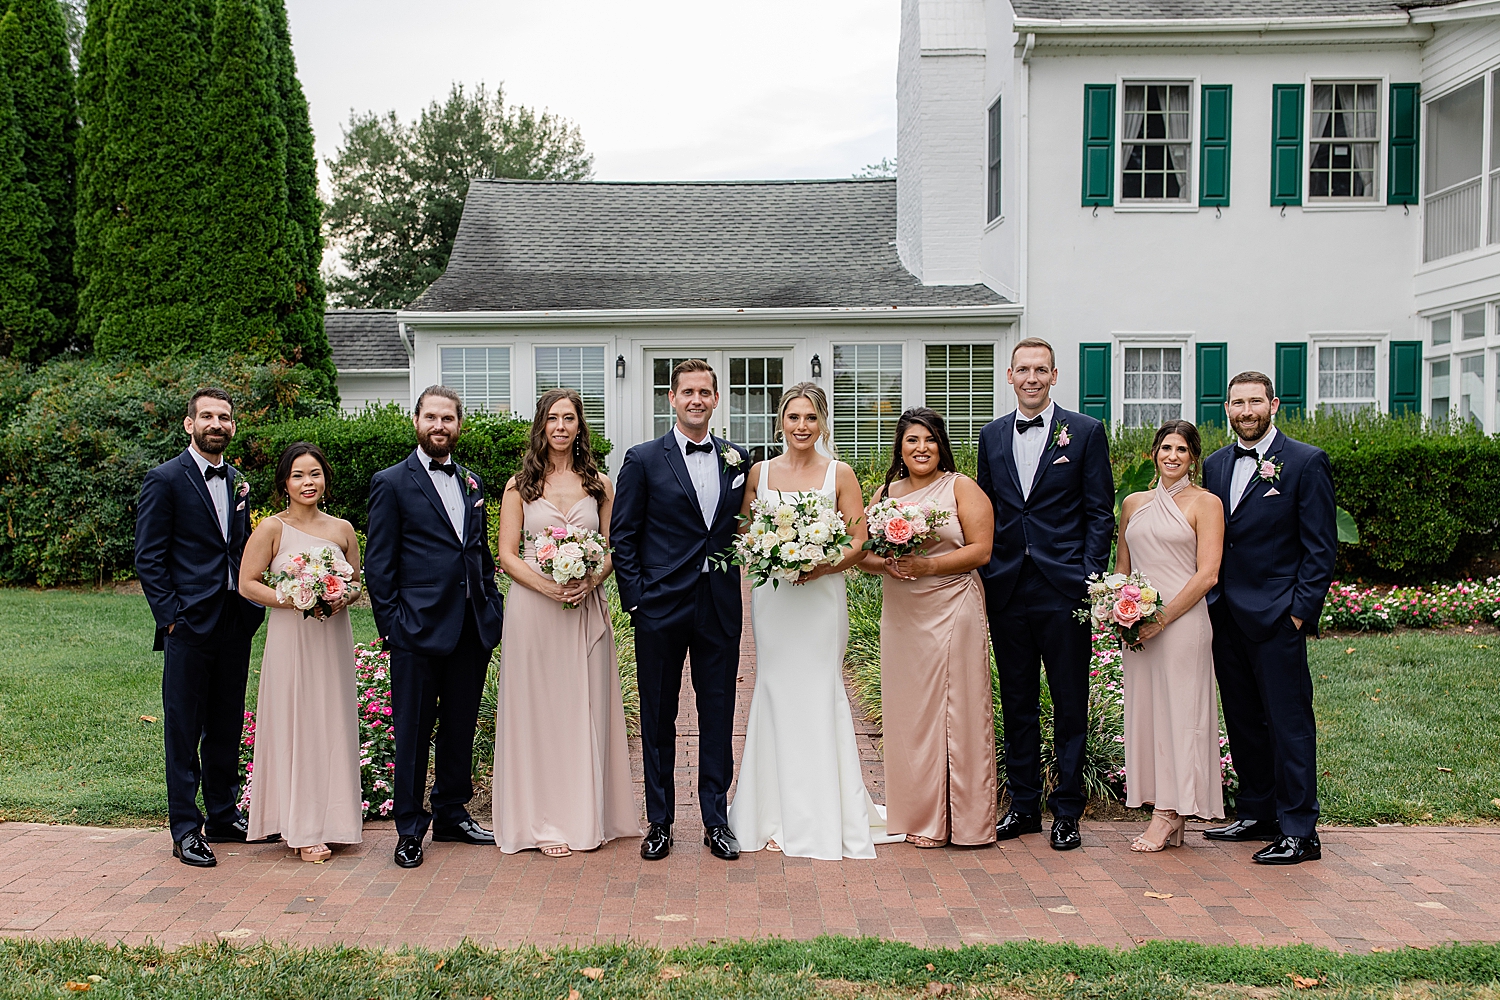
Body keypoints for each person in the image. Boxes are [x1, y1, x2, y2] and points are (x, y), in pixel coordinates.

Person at [728, 383, 900, 859]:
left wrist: (820, 562)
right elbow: (743, 530)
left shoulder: (839, 474)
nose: (801, 426)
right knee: (776, 687)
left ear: (823, 423)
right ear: (780, 421)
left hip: (822, 598)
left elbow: (859, 541)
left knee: (821, 688)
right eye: (793, 417)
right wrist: (771, 553)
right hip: (775, 599)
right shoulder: (759, 473)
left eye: (810, 418)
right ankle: (769, 809)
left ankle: (828, 811)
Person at [976, 338, 1114, 852]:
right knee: (1017, 701)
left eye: (1041, 370)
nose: (1031, 378)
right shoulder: (991, 436)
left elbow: (1101, 511)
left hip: (1065, 589)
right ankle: (1024, 806)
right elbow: (985, 511)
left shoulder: (1084, 432)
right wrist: (987, 571)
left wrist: (1089, 577)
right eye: (1023, 370)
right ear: (1009, 376)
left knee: (1069, 700)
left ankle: (1069, 811)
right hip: (1008, 587)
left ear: (1055, 375)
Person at [610, 359, 750, 862]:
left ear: (716, 399)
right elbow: (622, 536)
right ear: (671, 398)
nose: (696, 399)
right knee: (658, 715)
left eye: (705, 392)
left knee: (718, 714)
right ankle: (660, 821)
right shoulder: (644, 458)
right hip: (659, 608)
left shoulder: (739, 459)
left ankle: (716, 819)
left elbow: (741, 528)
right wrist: (637, 599)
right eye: (687, 391)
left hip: (718, 605)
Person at [492, 389, 639, 857]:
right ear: (541, 426)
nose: (560, 426)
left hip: (584, 606)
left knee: (583, 705)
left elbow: (615, 548)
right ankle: (543, 822)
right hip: (534, 610)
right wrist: (549, 587)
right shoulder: (520, 485)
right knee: (538, 712)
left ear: (580, 426)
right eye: (552, 418)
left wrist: (589, 579)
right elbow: (508, 555)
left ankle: (585, 814)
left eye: (569, 418)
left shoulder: (600, 484)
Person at [364, 386, 505, 869]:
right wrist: (392, 627)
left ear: (458, 425)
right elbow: (378, 564)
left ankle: (450, 812)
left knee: (460, 727)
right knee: (413, 730)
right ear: (416, 421)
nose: (439, 426)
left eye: (448, 418)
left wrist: (492, 604)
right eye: (431, 417)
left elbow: (478, 551)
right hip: (415, 630)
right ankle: (408, 827)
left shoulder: (473, 481)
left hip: (470, 627)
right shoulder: (391, 482)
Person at [1202, 372, 1336, 865]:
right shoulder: (1215, 465)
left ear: (1273, 404)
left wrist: (1299, 614)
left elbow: (1320, 548)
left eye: (1255, 401)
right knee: (1242, 720)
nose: (1246, 410)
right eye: (1237, 402)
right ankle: (1258, 812)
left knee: (1289, 724)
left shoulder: (1305, 462)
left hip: (1279, 617)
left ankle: (1301, 830)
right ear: (1227, 408)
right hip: (1225, 618)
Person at [134, 387, 268, 868]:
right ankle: (185, 828)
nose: (217, 423)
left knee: (227, 722)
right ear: (189, 424)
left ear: (232, 427)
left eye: (225, 417)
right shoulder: (164, 479)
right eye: (208, 416)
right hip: (188, 623)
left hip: (235, 619)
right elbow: (148, 557)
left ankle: (223, 814)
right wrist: (170, 617)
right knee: (184, 728)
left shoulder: (237, 480)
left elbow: (242, 547)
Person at [858, 408, 996, 849]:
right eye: (912, 440)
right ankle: (919, 817)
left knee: (958, 710)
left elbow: (982, 551)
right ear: (900, 447)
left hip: (953, 605)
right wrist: (890, 565)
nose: (921, 448)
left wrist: (928, 564)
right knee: (910, 714)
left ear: (942, 446)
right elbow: (862, 557)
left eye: (930, 440)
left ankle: (964, 821)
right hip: (903, 613)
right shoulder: (884, 493)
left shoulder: (961, 487)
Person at [238, 443, 364, 862]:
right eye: (297, 475)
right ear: (284, 483)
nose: (307, 482)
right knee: (298, 722)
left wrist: (342, 595)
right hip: (292, 637)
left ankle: (336, 820)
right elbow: (247, 583)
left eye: (314, 474)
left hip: (332, 639)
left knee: (332, 721)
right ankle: (302, 827)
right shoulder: (272, 528)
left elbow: (357, 583)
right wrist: (292, 597)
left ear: (325, 478)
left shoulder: (343, 529)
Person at [1114, 421, 1226, 852]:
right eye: (1165, 448)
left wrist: (1161, 619)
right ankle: (1166, 804)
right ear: (1154, 453)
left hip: (1182, 625)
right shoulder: (1133, 503)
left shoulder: (1206, 503)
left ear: (1193, 458)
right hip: (1138, 623)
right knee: (1150, 714)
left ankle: (1170, 813)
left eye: (1181, 449)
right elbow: (1122, 565)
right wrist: (1117, 610)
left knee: (1182, 715)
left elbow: (1208, 574)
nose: (1172, 456)